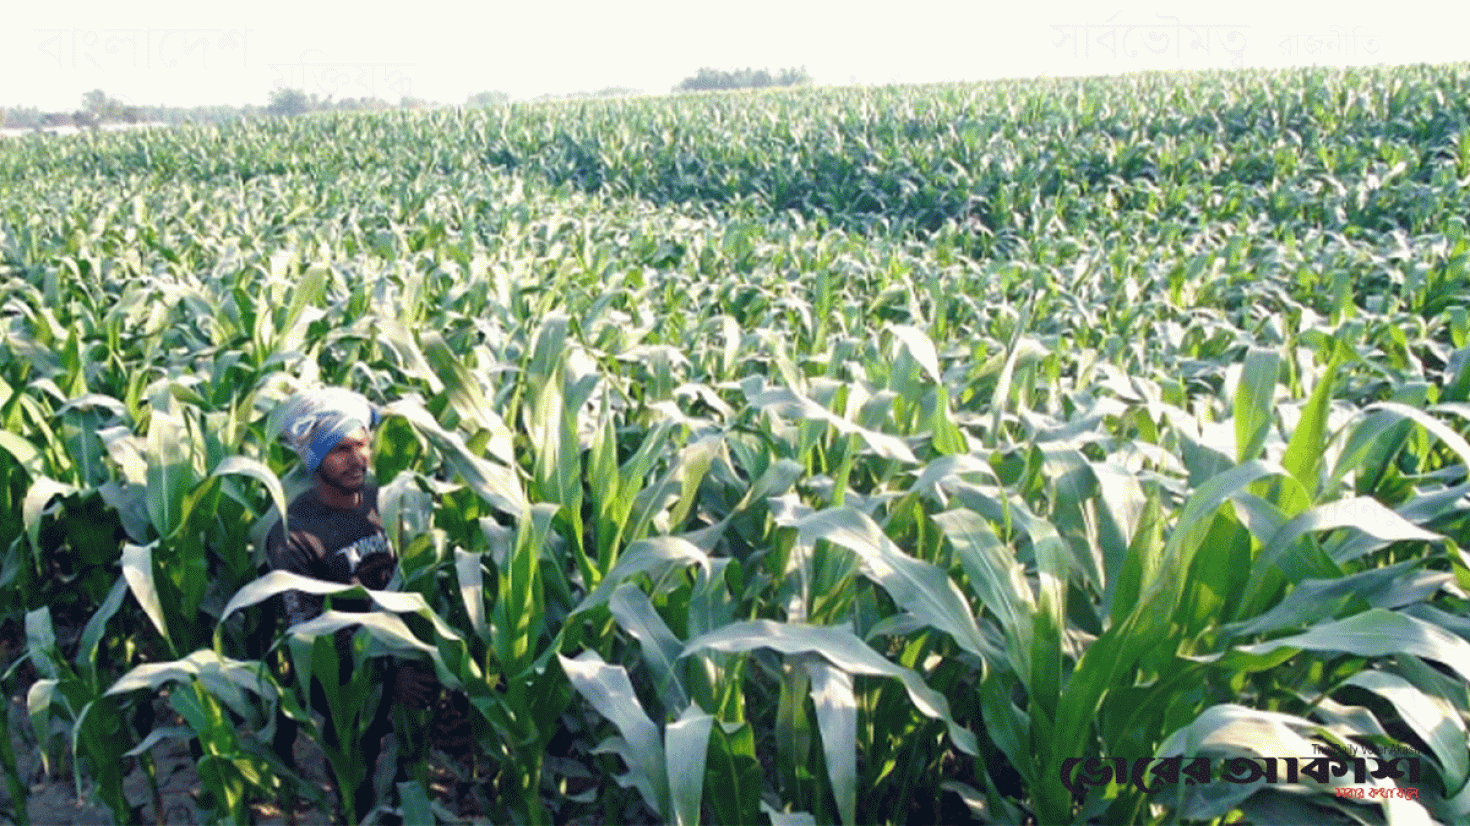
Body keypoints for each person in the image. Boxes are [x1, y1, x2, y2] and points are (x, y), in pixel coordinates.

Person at [265, 387, 434, 823]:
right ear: (316, 458)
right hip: (347, 684)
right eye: (341, 449)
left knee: (407, 778)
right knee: (358, 784)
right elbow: (308, 630)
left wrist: (414, 660)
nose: (357, 459)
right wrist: (385, 675)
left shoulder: (387, 503)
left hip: (404, 663)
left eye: (362, 445)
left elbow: (415, 581)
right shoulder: (294, 533)